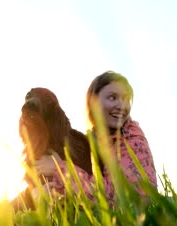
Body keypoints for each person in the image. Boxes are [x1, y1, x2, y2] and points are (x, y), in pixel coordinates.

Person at [35, 70, 158, 206]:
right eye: (113, 98)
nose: (122, 106)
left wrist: (59, 168)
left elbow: (124, 200)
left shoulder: (131, 140)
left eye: (126, 99)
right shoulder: (96, 139)